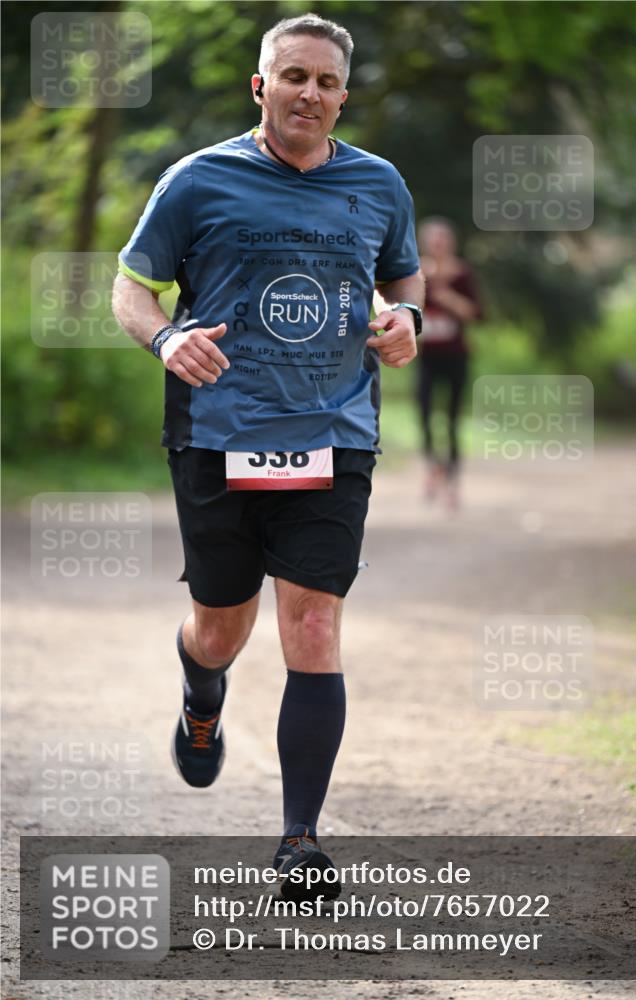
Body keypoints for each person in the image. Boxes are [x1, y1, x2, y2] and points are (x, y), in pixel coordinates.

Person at [112, 12, 423, 899]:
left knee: (314, 627)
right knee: (222, 626)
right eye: (294, 77)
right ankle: (201, 690)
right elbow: (131, 286)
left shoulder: (377, 183)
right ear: (261, 86)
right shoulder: (197, 180)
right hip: (218, 434)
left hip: (334, 433)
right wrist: (167, 339)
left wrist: (405, 318)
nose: (310, 95)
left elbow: (403, 276)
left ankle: (299, 841)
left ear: (342, 97)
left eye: (326, 83)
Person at [416, 217, 482, 507]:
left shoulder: (462, 273)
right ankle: (433, 466)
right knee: (425, 413)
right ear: (425, 243)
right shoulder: (415, 272)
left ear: (451, 243)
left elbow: (476, 314)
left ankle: (454, 480)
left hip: (456, 357)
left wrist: (448, 299)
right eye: (433, 239)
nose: (438, 244)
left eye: (443, 239)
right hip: (426, 357)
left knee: (453, 419)